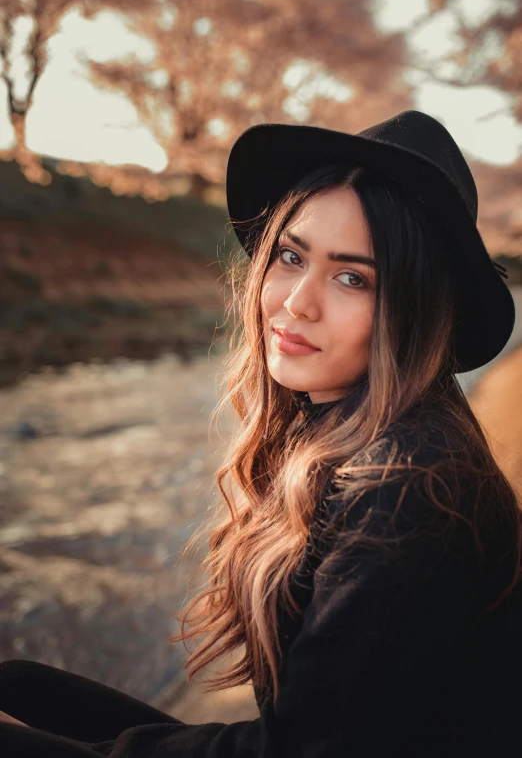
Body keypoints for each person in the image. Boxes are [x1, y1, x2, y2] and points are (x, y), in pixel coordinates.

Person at [1, 109, 521, 757]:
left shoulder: (413, 488)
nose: (298, 301)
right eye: (291, 255)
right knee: (16, 686)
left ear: (415, 309)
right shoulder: (353, 430)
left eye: (352, 276)